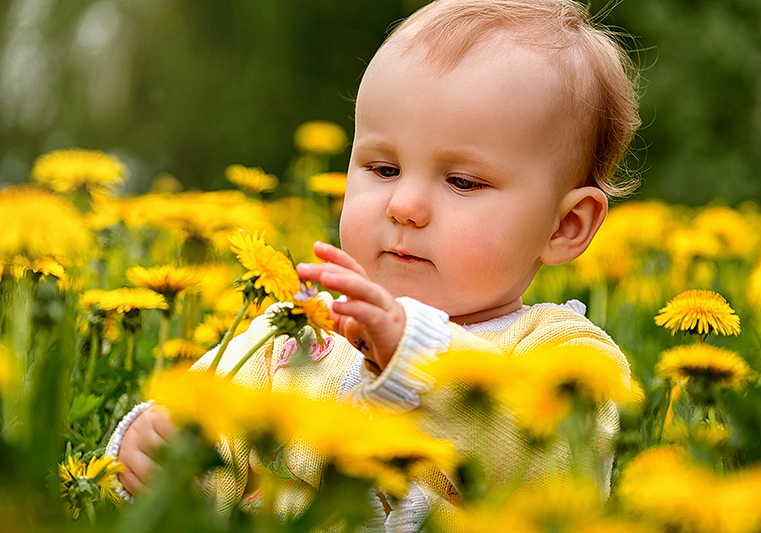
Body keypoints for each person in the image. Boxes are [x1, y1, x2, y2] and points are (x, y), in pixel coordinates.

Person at [107, 0, 640, 528]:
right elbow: (215, 452)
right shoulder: (295, 334)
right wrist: (163, 456)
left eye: (462, 182)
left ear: (565, 226)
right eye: (383, 168)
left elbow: (557, 476)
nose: (403, 206)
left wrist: (415, 352)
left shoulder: (567, 356)